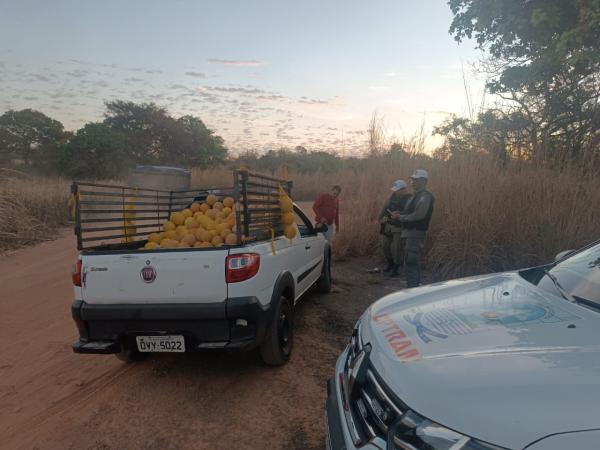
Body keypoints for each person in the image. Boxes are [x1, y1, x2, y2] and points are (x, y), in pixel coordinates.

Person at [392, 169, 434, 288]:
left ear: (424, 181)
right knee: (409, 262)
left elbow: (419, 215)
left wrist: (401, 217)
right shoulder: (416, 196)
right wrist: (399, 213)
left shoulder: (425, 196)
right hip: (410, 233)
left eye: (416, 180)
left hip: (416, 233)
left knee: (412, 262)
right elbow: (410, 212)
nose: (412, 182)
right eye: (412, 180)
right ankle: (412, 288)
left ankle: (413, 291)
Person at [378, 180, 412, 276]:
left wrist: (400, 214)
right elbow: (384, 209)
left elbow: (411, 213)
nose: (395, 192)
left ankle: (396, 268)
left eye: (397, 190)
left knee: (397, 248)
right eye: (395, 190)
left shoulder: (409, 200)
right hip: (388, 225)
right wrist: (380, 219)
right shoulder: (391, 198)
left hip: (399, 227)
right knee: (385, 245)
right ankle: (390, 263)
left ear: (403, 190)